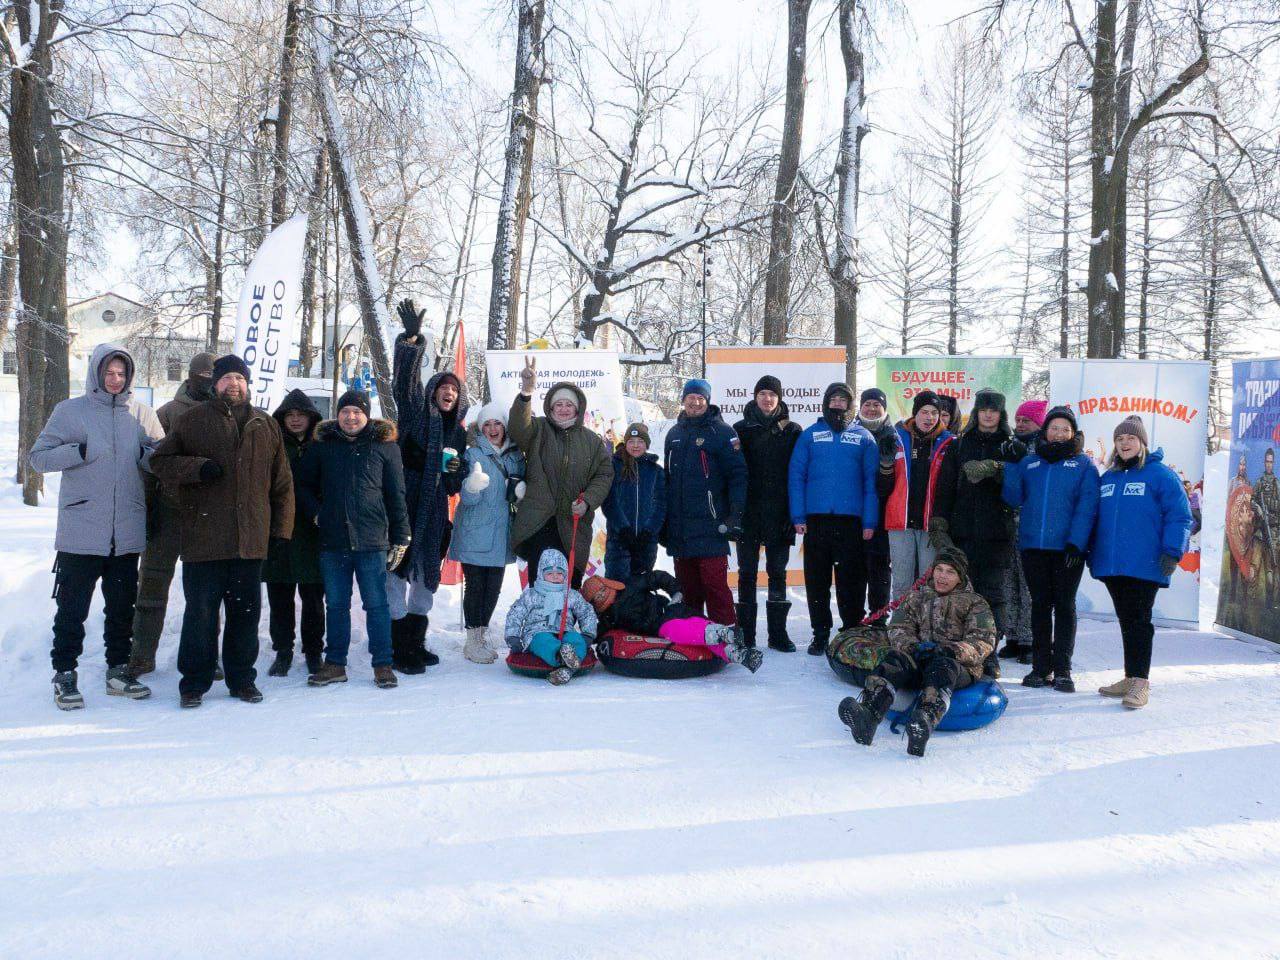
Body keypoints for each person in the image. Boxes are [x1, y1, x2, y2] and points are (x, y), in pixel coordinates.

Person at [150, 354, 294, 708]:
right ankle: (193, 683)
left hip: (250, 540)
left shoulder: (265, 424)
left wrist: (279, 532)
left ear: (248, 383)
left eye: (240, 378)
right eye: (227, 377)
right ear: (215, 383)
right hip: (203, 538)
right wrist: (197, 468)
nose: (234, 384)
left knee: (245, 616)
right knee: (200, 614)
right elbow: (159, 462)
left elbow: (282, 484)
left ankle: (242, 679)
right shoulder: (192, 420)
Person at [30, 343, 164, 709]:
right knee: (72, 609)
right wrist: (79, 451)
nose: (115, 379)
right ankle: (64, 674)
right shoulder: (70, 412)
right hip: (81, 530)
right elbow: (38, 459)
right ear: (96, 372)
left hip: (126, 532)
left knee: (122, 608)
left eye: (122, 373)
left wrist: (147, 456)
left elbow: (162, 460)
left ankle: (118, 670)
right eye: (109, 372)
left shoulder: (143, 414)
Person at [837, 546, 996, 757]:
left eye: (950, 572)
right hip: (920, 657)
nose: (942, 576)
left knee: (942, 666)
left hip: (956, 665)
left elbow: (983, 640)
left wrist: (951, 650)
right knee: (895, 658)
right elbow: (898, 628)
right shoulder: (917, 598)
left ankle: (924, 721)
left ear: (960, 576)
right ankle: (869, 714)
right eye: (939, 569)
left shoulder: (975, 603)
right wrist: (912, 647)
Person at [296, 389, 409, 690]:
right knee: (335, 604)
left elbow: (396, 494)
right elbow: (302, 485)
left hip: (372, 540)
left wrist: (401, 536)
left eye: (357, 411)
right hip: (333, 541)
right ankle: (334, 664)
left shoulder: (386, 447)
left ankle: (383, 664)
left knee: (377, 605)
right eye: (345, 411)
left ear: (366, 414)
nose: (350, 416)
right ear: (338, 414)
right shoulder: (323, 446)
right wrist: (317, 514)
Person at [1089, 416, 1193, 709]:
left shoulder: (1160, 475)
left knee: (1139, 621)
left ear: (1142, 443)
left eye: (1131, 438)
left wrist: (1172, 551)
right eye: (1120, 439)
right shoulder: (1108, 478)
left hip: (1146, 563)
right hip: (1113, 565)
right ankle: (1130, 676)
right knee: (1127, 621)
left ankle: (1141, 682)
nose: (1124, 443)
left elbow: (1181, 516)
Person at [390, 300, 468, 672]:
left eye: (454, 389)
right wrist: (410, 342)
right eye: (443, 387)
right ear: (433, 391)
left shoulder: (458, 432)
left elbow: (453, 484)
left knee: (425, 582)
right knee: (395, 576)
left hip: (434, 513)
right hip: (405, 507)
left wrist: (455, 471)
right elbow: (402, 383)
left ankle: (415, 641)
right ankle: (397, 647)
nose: (448, 392)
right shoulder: (414, 413)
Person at [1002, 405, 1100, 692]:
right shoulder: (1031, 463)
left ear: (1073, 433)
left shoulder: (1083, 465)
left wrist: (1077, 542)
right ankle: (1040, 668)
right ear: (1045, 431)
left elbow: (1088, 506)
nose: (1059, 433)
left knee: (1065, 607)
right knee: (1040, 607)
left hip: (1068, 549)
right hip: (1033, 546)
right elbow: (1013, 498)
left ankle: (1063, 670)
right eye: (1054, 428)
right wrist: (1010, 466)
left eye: (1065, 429)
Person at [128, 351, 215, 676]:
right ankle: (141, 654)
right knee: (151, 587)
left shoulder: (226, 414)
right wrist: (149, 510)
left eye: (211, 377)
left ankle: (208, 656)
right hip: (168, 512)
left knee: (206, 595)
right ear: (190, 377)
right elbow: (150, 466)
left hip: (208, 517)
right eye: (201, 377)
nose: (206, 383)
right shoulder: (166, 414)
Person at [788, 382, 878, 655]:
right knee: (817, 580)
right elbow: (796, 476)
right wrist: (798, 515)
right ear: (826, 403)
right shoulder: (810, 435)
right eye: (833, 399)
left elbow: (871, 482)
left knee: (851, 581)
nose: (838, 404)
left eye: (843, 400)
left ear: (850, 406)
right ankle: (820, 633)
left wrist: (869, 521)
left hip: (851, 522)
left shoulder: (864, 437)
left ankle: (851, 630)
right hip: (817, 521)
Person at [508, 356, 613, 588]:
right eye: (559, 404)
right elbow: (517, 429)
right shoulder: (539, 429)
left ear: (577, 408)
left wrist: (587, 501)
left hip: (573, 523)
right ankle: (540, 625)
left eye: (569, 405)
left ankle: (566, 625)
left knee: (570, 585)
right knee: (542, 582)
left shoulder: (591, 441)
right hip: (539, 521)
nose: (564, 409)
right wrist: (526, 392)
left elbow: (604, 475)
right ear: (551, 407)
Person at [948, 388, 1020, 679]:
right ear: (976, 412)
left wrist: (1000, 469)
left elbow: (1019, 491)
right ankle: (962, 652)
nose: (988, 414)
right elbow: (946, 487)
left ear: (1001, 415)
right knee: (962, 596)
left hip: (997, 534)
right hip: (963, 532)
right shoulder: (959, 445)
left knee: (993, 598)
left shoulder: (1010, 446)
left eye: (994, 410)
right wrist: (940, 522)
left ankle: (989, 655)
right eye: (983, 409)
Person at [663, 378, 748, 626]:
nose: (695, 403)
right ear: (683, 401)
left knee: (715, 586)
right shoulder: (674, 433)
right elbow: (669, 479)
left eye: (700, 398)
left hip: (712, 525)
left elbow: (738, 475)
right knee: (688, 590)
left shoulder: (722, 432)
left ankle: (728, 636)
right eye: (691, 398)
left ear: (708, 401)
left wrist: (735, 513)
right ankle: (695, 638)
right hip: (681, 528)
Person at [448, 401, 526, 664]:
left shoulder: (515, 456)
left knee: (493, 587)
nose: (492, 429)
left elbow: (518, 495)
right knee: (476, 586)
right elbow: (465, 499)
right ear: (480, 429)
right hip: (474, 530)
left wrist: (520, 492)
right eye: (487, 425)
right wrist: (471, 487)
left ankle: (482, 633)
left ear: (505, 426)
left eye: (497, 424)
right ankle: (472, 641)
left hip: (502, 533)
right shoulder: (472, 455)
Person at [733, 375, 801, 649]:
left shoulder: (793, 430)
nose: (767, 398)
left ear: (780, 398)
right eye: (762, 393)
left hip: (779, 513)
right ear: (754, 397)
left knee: (778, 573)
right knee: (746, 573)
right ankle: (746, 634)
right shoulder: (739, 428)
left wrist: (792, 514)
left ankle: (777, 634)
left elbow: (797, 475)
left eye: (772, 394)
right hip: (748, 513)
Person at [262, 389, 325, 678]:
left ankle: (314, 651)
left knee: (312, 598)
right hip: (279, 532)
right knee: (280, 596)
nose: (296, 419)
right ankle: (283, 651)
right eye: (291, 415)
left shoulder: (322, 446)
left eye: (301, 414)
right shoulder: (272, 445)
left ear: (312, 418)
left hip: (313, 532)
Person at [581, 573, 763, 672]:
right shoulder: (609, 617)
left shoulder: (630, 586)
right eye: (596, 597)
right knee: (698, 638)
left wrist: (676, 592)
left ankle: (724, 633)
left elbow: (658, 577)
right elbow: (596, 633)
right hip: (660, 624)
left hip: (669, 612)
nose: (601, 596)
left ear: (607, 584)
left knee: (680, 630)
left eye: (602, 590)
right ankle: (740, 655)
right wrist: (580, 644)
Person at [882, 390, 958, 604]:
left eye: (935, 412)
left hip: (931, 523)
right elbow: (883, 483)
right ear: (915, 413)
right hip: (900, 521)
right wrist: (885, 463)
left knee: (930, 581)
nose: (930, 417)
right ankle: (901, 628)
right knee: (902, 581)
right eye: (924, 412)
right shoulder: (896, 437)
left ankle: (927, 627)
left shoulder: (949, 442)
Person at [504, 549, 598, 685]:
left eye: (559, 573)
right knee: (544, 642)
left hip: (565, 630)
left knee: (576, 640)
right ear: (541, 574)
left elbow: (586, 612)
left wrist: (588, 634)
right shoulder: (531, 595)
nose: (555, 577)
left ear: (565, 575)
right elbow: (515, 614)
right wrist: (513, 637)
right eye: (550, 573)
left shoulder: (570, 595)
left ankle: (568, 663)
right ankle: (560, 657)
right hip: (537, 631)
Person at [999, 399, 1046, 663]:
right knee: (1009, 581)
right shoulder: (1010, 444)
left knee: (1028, 584)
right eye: (1017, 420)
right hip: (1010, 523)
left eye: (1026, 420)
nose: (1020, 425)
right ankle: (1013, 636)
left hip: (1032, 525)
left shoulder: (1043, 449)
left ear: (1038, 422)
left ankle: (1030, 639)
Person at [602, 422, 665, 580]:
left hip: (646, 543)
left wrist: (649, 531)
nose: (635, 445)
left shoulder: (656, 471)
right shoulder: (613, 466)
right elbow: (610, 502)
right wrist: (623, 529)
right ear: (626, 443)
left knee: (641, 590)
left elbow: (661, 504)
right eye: (631, 441)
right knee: (617, 589)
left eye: (640, 441)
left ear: (647, 444)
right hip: (619, 541)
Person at [856, 387, 896, 616]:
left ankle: (878, 617)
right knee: (854, 568)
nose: (871, 409)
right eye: (867, 405)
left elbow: (893, 484)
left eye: (876, 405)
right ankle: (854, 618)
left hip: (883, 513)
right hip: (853, 511)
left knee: (879, 567)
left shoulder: (894, 435)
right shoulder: (850, 431)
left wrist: (886, 466)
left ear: (884, 408)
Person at [1253, 448, 1280, 609]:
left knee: (1274, 569)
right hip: (1261, 532)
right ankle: (1262, 604)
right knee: (1261, 569)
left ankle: (1272, 602)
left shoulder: (1277, 484)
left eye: (1271, 461)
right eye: (1267, 461)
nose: (1269, 464)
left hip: (1275, 533)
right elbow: (1252, 500)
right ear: (1264, 462)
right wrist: (1258, 508)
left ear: (1273, 463)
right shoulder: (1259, 482)